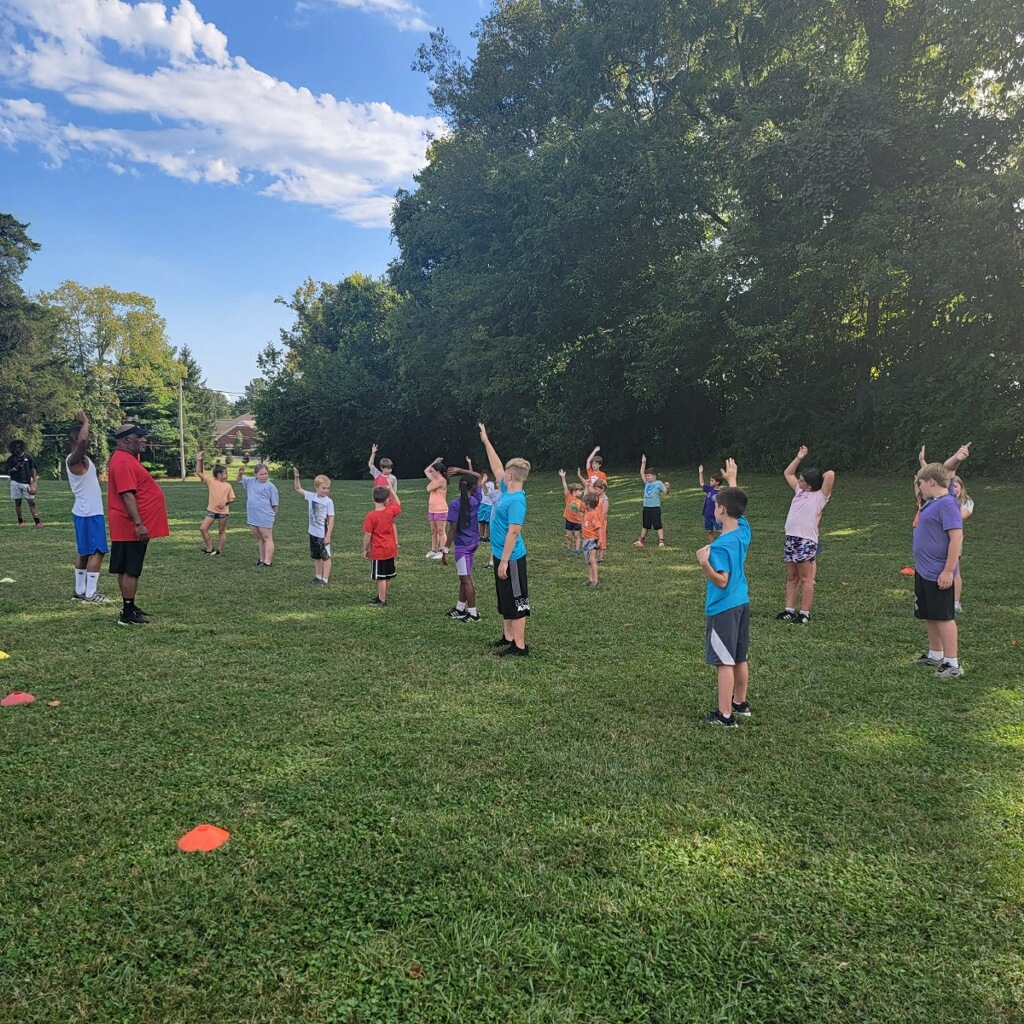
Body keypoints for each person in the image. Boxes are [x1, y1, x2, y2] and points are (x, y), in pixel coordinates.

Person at [696, 458, 750, 727]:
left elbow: (721, 581)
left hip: (723, 608)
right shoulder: (742, 532)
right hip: (742, 603)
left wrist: (704, 564)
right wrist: (732, 482)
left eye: (717, 505)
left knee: (724, 662)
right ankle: (740, 703)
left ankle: (725, 715)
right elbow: (738, 511)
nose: (714, 508)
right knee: (740, 657)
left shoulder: (720, 546)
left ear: (721, 511)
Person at [912, 443, 970, 678]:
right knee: (931, 613)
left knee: (944, 617)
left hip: (939, 572)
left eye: (921, 483)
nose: (919, 487)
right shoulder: (933, 502)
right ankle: (935, 654)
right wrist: (955, 456)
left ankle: (952, 663)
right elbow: (945, 470)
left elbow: (957, 538)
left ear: (931, 483)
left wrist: (948, 571)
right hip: (924, 570)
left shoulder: (947, 504)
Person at [106, 422, 169, 626]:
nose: (144, 440)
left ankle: (130, 606)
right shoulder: (123, 462)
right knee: (131, 569)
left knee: (126, 568)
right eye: (139, 437)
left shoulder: (125, 459)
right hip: (129, 526)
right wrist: (139, 524)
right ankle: (127, 612)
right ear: (126, 439)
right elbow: (127, 494)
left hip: (127, 525)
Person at [478, 423, 531, 656]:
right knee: (505, 598)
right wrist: (486, 441)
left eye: (505, 472)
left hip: (513, 559)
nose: (501, 473)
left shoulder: (516, 500)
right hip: (502, 555)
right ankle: (507, 637)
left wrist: (504, 561)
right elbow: (497, 465)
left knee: (517, 600)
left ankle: (519, 646)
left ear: (511, 476)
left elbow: (514, 532)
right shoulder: (506, 488)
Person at [775, 447, 836, 625]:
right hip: (791, 539)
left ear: (810, 485)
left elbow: (830, 474)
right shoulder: (800, 492)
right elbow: (788, 472)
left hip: (805, 541)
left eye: (802, 480)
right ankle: (789, 610)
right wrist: (799, 458)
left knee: (805, 578)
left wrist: (818, 477)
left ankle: (805, 613)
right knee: (792, 577)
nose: (798, 481)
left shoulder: (820, 496)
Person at [65, 410, 110, 603]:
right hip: (89, 513)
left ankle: (79, 591)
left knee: (83, 552)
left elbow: (83, 442)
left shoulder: (80, 459)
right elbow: (82, 442)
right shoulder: (75, 459)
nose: (88, 439)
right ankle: (91, 594)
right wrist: (86, 422)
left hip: (83, 511)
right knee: (97, 551)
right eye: (85, 434)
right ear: (76, 437)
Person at [441, 467, 484, 621]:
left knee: (465, 579)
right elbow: (478, 475)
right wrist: (460, 469)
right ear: (473, 488)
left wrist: (445, 549)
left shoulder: (455, 504)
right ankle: (460, 608)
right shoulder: (476, 499)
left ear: (460, 487)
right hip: (473, 543)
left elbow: (452, 529)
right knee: (463, 577)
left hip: (463, 546)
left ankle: (473, 613)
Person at [293, 467, 334, 586]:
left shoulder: (328, 501)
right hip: (313, 532)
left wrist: (328, 536)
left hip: (323, 533)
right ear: (316, 487)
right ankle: (318, 576)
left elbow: (331, 518)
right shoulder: (311, 496)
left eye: (328, 488)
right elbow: (298, 488)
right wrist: (296, 477)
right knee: (316, 556)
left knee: (325, 556)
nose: (326, 490)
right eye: (323, 488)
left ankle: (324, 579)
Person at [363, 480, 402, 606]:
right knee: (387, 575)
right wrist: (391, 491)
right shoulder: (390, 511)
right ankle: (383, 595)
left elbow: (368, 534)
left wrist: (365, 548)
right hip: (390, 548)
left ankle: (382, 600)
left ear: (372, 499)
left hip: (379, 550)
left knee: (380, 577)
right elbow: (398, 504)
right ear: (387, 500)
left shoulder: (371, 516)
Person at [237, 462, 279, 567]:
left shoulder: (270, 486)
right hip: (252, 515)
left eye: (266, 474)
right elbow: (239, 480)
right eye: (261, 474)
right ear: (255, 475)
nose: (264, 476)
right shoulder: (251, 481)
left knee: (267, 537)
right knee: (259, 538)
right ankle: (261, 559)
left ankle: (267, 561)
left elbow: (275, 504)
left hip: (265, 515)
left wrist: (272, 515)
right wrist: (240, 473)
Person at [196, 449, 235, 556]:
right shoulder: (211, 482)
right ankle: (209, 548)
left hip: (223, 513)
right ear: (219, 474)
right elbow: (199, 472)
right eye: (225, 473)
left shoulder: (228, 485)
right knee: (203, 528)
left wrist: (225, 502)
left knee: (221, 531)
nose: (227, 475)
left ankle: (219, 550)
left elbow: (232, 498)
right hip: (212, 511)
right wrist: (199, 460)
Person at [635, 455, 670, 547]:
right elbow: (641, 472)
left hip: (655, 508)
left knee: (657, 525)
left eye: (649, 476)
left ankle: (661, 541)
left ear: (654, 476)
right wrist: (643, 463)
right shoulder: (647, 483)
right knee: (645, 525)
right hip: (646, 507)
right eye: (646, 476)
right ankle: (641, 540)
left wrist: (667, 487)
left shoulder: (658, 483)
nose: (647, 477)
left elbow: (666, 492)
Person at [368, 444, 399, 548]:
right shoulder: (377, 475)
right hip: (379, 503)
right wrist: (373, 453)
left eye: (390, 468)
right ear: (382, 468)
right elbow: (371, 464)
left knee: (392, 522)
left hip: (389, 503)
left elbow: (394, 492)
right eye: (387, 469)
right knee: (380, 522)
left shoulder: (393, 478)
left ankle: (395, 542)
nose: (389, 471)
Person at [6, 439, 42, 527]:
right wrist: (16, 467)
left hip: (26, 482)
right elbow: (9, 472)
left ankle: (37, 521)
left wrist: (34, 482)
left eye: (19, 447)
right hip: (15, 482)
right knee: (18, 502)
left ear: (22, 447)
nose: (17, 449)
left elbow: (33, 469)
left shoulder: (28, 457)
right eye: (15, 447)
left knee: (31, 502)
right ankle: (20, 521)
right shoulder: (11, 459)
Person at [952, 474, 973, 613]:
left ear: (961, 487)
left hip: (954, 540)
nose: (953, 489)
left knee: (954, 570)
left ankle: (955, 603)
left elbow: (959, 516)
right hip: (937, 540)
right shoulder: (941, 500)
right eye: (950, 486)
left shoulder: (966, 502)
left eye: (955, 486)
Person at [424, 458, 448, 559]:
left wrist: (431, 483)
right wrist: (435, 462)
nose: (431, 472)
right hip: (432, 509)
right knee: (433, 531)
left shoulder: (441, 480)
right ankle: (434, 550)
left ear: (438, 472)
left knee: (441, 531)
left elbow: (428, 489)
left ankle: (442, 551)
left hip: (441, 509)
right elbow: (426, 470)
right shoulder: (434, 479)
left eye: (433, 471)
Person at [558, 470, 584, 555]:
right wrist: (563, 477)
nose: (581, 492)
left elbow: (583, 511)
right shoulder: (568, 497)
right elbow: (565, 488)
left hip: (577, 521)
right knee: (569, 536)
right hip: (569, 520)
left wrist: (583, 521)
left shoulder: (580, 502)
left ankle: (577, 550)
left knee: (577, 536)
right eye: (580, 491)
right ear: (574, 491)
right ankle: (568, 549)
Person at [581, 492, 602, 587]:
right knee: (588, 561)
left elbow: (598, 528)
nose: (582, 503)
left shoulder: (594, 514)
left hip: (592, 540)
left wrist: (600, 539)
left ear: (588, 504)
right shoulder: (587, 512)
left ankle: (595, 580)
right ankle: (590, 578)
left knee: (592, 559)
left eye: (584, 502)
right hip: (586, 540)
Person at [698, 465, 723, 543]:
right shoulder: (709, 489)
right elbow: (701, 483)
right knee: (709, 531)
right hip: (708, 515)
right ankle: (712, 545)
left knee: (720, 531)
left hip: (716, 516)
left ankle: (724, 544)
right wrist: (700, 473)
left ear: (717, 482)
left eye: (712, 480)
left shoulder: (721, 493)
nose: (710, 482)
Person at [591, 477, 609, 563]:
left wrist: (600, 524)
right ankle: (595, 555)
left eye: (597, 489)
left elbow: (603, 513)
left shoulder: (605, 500)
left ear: (603, 489)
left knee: (602, 539)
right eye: (594, 489)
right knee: (595, 539)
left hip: (601, 524)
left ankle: (601, 558)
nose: (595, 491)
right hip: (594, 523)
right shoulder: (596, 498)